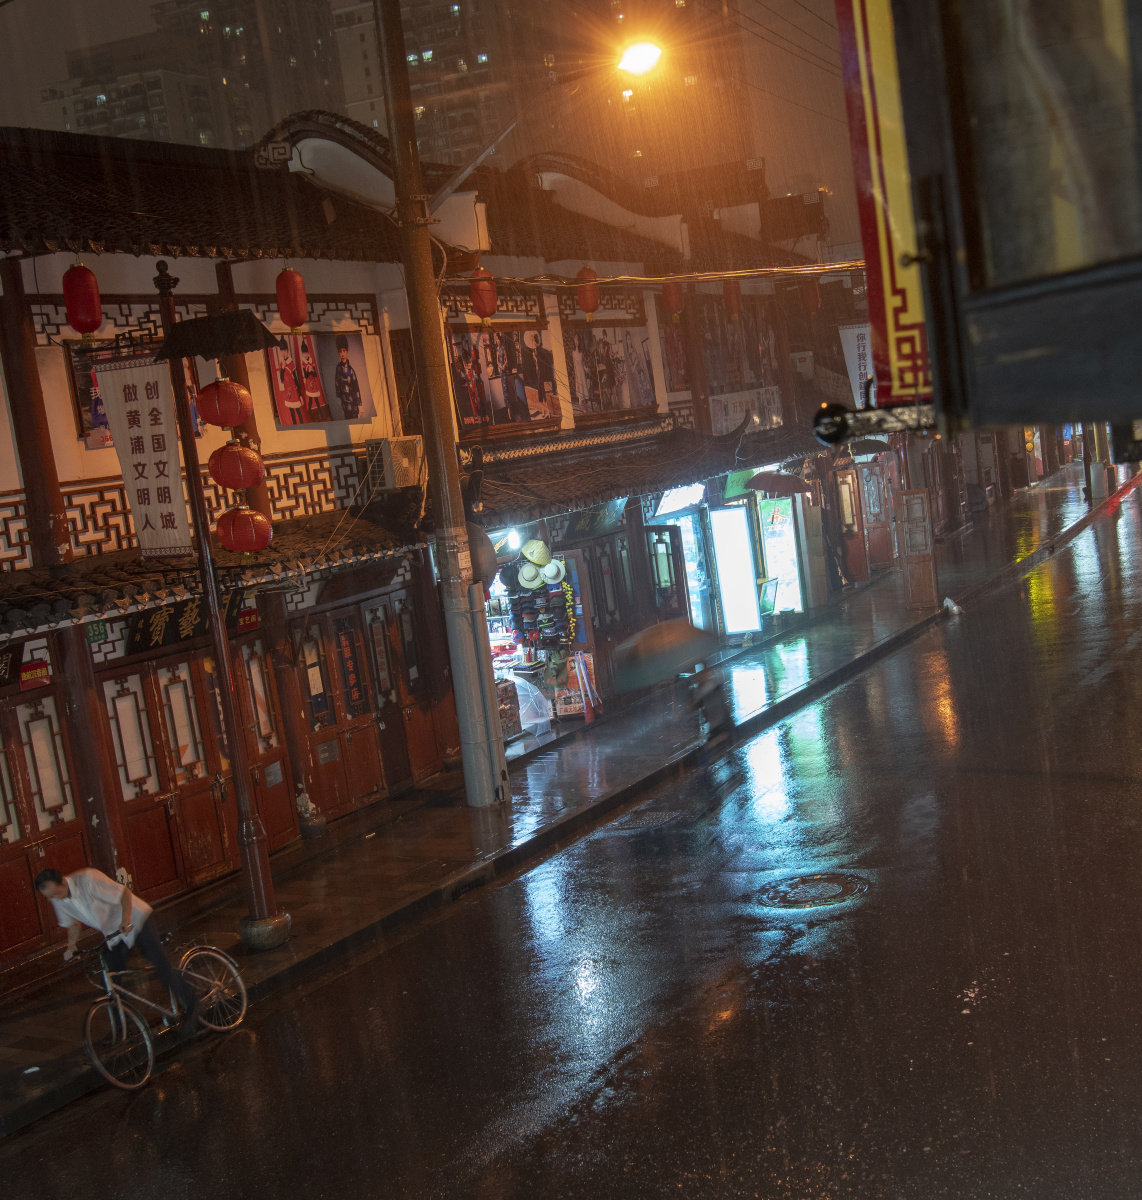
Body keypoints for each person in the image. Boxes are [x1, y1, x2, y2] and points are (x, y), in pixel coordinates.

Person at [35, 867, 198, 1026]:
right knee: (110, 980)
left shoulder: (87, 879)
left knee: (160, 965)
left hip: (135, 919)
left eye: (56, 893)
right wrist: (71, 946)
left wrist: (125, 919)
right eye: (50, 897)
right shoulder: (58, 899)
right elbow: (73, 924)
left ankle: (193, 1003)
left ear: (63, 881)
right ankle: (122, 1027)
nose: (56, 899)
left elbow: (124, 893)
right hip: (113, 933)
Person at [334, 334, 363, 419]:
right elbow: (337, 384)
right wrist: (339, 398)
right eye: (340, 351)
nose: (342, 354)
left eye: (344, 351)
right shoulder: (338, 368)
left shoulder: (351, 371)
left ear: (347, 352)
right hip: (344, 404)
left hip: (353, 403)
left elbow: (356, 388)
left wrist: (360, 405)